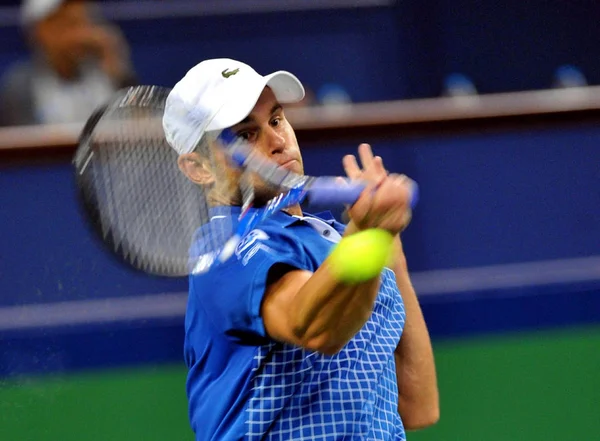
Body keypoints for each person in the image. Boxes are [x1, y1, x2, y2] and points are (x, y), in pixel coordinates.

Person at [162, 58, 439, 440]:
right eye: (245, 136)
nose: (277, 142)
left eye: (276, 120)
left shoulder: (336, 238)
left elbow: (416, 405)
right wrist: (368, 235)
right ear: (198, 168)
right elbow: (316, 327)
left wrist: (388, 240)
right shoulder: (222, 251)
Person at [0, 0, 136, 126]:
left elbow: (141, 134)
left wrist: (119, 72)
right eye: (69, 24)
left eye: (84, 22)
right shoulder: (19, 87)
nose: (81, 34)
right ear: (41, 31)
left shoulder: (108, 74)